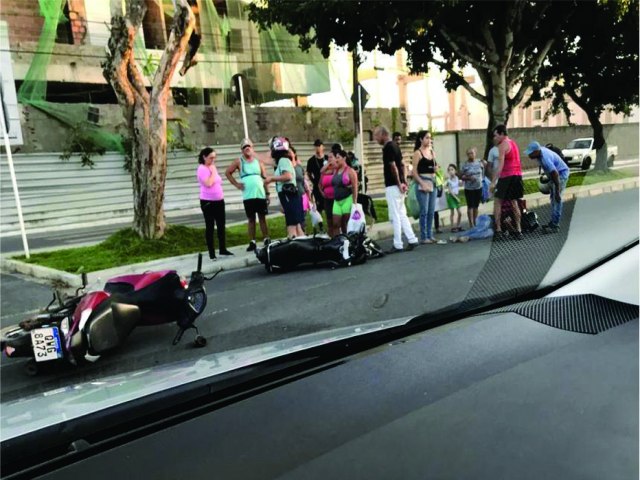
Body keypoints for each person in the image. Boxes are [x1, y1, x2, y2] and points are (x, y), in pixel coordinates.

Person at [374, 125, 419, 252]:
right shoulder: (395, 146)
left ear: (383, 134)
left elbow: (393, 166)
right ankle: (412, 239)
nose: (375, 139)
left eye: (376, 136)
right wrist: (404, 181)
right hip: (399, 185)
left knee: (395, 215)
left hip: (393, 185)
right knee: (402, 214)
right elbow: (403, 164)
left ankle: (398, 244)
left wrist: (399, 183)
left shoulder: (388, 147)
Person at [226, 138, 270, 252]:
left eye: (249, 147)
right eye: (245, 147)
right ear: (242, 150)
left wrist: (268, 193)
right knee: (251, 219)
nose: (247, 149)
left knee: (262, 217)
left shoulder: (258, 161)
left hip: (260, 193)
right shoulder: (239, 161)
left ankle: (266, 239)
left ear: (252, 148)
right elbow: (228, 172)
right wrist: (236, 184)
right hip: (248, 195)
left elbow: (265, 177)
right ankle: (252, 241)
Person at [525, 141, 570, 233]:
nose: (529, 156)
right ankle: (553, 222)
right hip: (555, 175)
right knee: (553, 198)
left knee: (556, 200)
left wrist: (557, 191)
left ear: (536, 151)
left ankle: (555, 225)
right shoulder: (540, 152)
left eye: (530, 153)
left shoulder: (545, 158)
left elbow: (555, 173)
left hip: (560, 175)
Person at [197, 147, 233, 260]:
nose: (213, 160)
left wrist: (213, 170)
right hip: (208, 201)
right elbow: (208, 183)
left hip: (219, 200)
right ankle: (211, 253)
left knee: (221, 225)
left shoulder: (213, 167)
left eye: (214, 158)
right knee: (210, 226)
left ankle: (223, 248)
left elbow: (218, 181)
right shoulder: (202, 169)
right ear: (204, 157)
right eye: (211, 158)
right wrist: (212, 172)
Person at [490, 125, 524, 240]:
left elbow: (500, 166)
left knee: (497, 202)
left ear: (501, 134)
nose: (494, 138)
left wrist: (493, 182)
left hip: (507, 176)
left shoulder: (502, 145)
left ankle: (499, 230)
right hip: (517, 175)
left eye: (495, 135)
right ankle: (518, 230)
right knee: (514, 203)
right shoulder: (513, 143)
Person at [266, 137, 304, 239]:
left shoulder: (283, 160)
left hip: (288, 194)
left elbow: (288, 176)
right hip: (289, 195)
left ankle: (293, 242)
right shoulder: (283, 161)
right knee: (296, 223)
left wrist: (271, 179)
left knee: (291, 223)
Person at [411, 130, 440, 244]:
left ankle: (430, 234)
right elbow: (414, 172)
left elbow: (435, 165)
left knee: (432, 210)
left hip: (432, 181)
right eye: (427, 138)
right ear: (421, 139)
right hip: (423, 181)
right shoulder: (417, 153)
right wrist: (421, 183)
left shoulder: (432, 152)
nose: (429, 140)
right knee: (424, 210)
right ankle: (424, 236)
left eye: (430, 138)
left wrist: (436, 169)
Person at [331, 149, 359, 235]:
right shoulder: (335, 170)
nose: (336, 159)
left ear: (344, 158)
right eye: (335, 158)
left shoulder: (350, 171)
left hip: (347, 200)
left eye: (338, 157)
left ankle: (348, 242)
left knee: (346, 224)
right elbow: (322, 171)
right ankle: (337, 243)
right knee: (335, 224)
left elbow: (355, 187)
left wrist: (354, 202)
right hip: (336, 201)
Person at [290, 145, 313, 233]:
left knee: (302, 219)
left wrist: (309, 196)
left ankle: (304, 235)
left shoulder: (299, 167)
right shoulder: (286, 167)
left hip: (302, 195)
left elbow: (304, 182)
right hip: (292, 197)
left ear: (294, 154)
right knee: (294, 220)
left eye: (291, 152)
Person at [460, 147, 484, 228]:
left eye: (472, 153)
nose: (471, 155)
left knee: (476, 206)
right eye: (469, 153)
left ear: (475, 153)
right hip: (469, 188)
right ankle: (471, 224)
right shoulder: (465, 164)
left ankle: (475, 221)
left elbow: (484, 170)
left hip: (478, 187)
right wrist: (469, 178)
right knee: (470, 206)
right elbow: (461, 176)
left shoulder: (479, 162)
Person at [306, 139, 328, 216]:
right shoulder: (311, 160)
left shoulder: (327, 158)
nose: (317, 148)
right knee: (319, 205)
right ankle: (320, 223)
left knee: (328, 204)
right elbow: (308, 173)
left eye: (319, 146)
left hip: (328, 184)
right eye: (316, 146)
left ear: (323, 147)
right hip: (317, 185)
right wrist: (314, 181)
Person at [319, 150, 337, 237]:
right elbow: (320, 182)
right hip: (327, 198)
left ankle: (337, 236)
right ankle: (331, 237)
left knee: (336, 221)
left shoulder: (337, 169)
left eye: (331, 157)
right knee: (329, 219)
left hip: (336, 198)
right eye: (328, 157)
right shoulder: (325, 170)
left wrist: (333, 164)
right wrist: (322, 192)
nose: (329, 159)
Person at [445, 164, 462, 232]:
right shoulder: (449, 181)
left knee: (459, 213)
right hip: (451, 197)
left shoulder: (457, 178)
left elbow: (459, 185)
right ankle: (452, 227)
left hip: (456, 195)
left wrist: (461, 182)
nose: (450, 171)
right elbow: (450, 191)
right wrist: (456, 198)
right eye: (449, 170)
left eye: (452, 169)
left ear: (455, 171)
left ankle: (458, 225)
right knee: (452, 212)